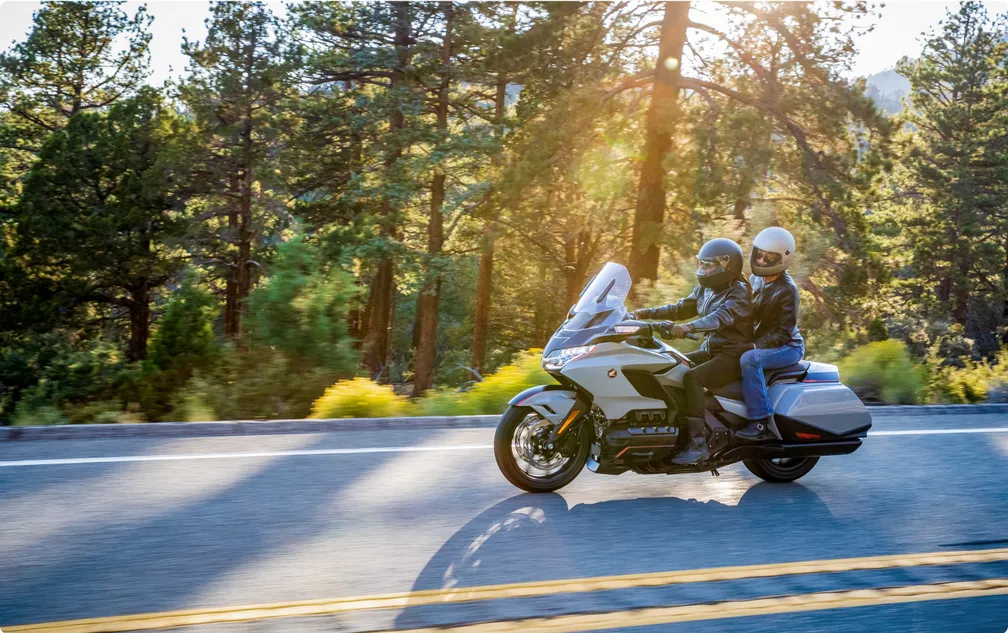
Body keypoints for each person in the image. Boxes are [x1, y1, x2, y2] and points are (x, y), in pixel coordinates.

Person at [629, 238, 754, 464]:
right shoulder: (706, 289)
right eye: (702, 264)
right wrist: (642, 313)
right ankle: (677, 430)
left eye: (709, 265)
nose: (703, 269)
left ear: (726, 265)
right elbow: (678, 308)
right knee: (671, 365)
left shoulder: (739, 292)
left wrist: (689, 327)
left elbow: (720, 317)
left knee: (692, 377)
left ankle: (698, 444)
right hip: (713, 350)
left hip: (733, 355)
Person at [735, 227, 805, 443]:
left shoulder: (787, 290)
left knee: (750, 359)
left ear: (782, 259)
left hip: (787, 347)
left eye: (769, 257)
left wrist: (753, 346)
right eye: (759, 255)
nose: (762, 261)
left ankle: (760, 421)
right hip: (763, 339)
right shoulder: (757, 279)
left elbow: (783, 333)